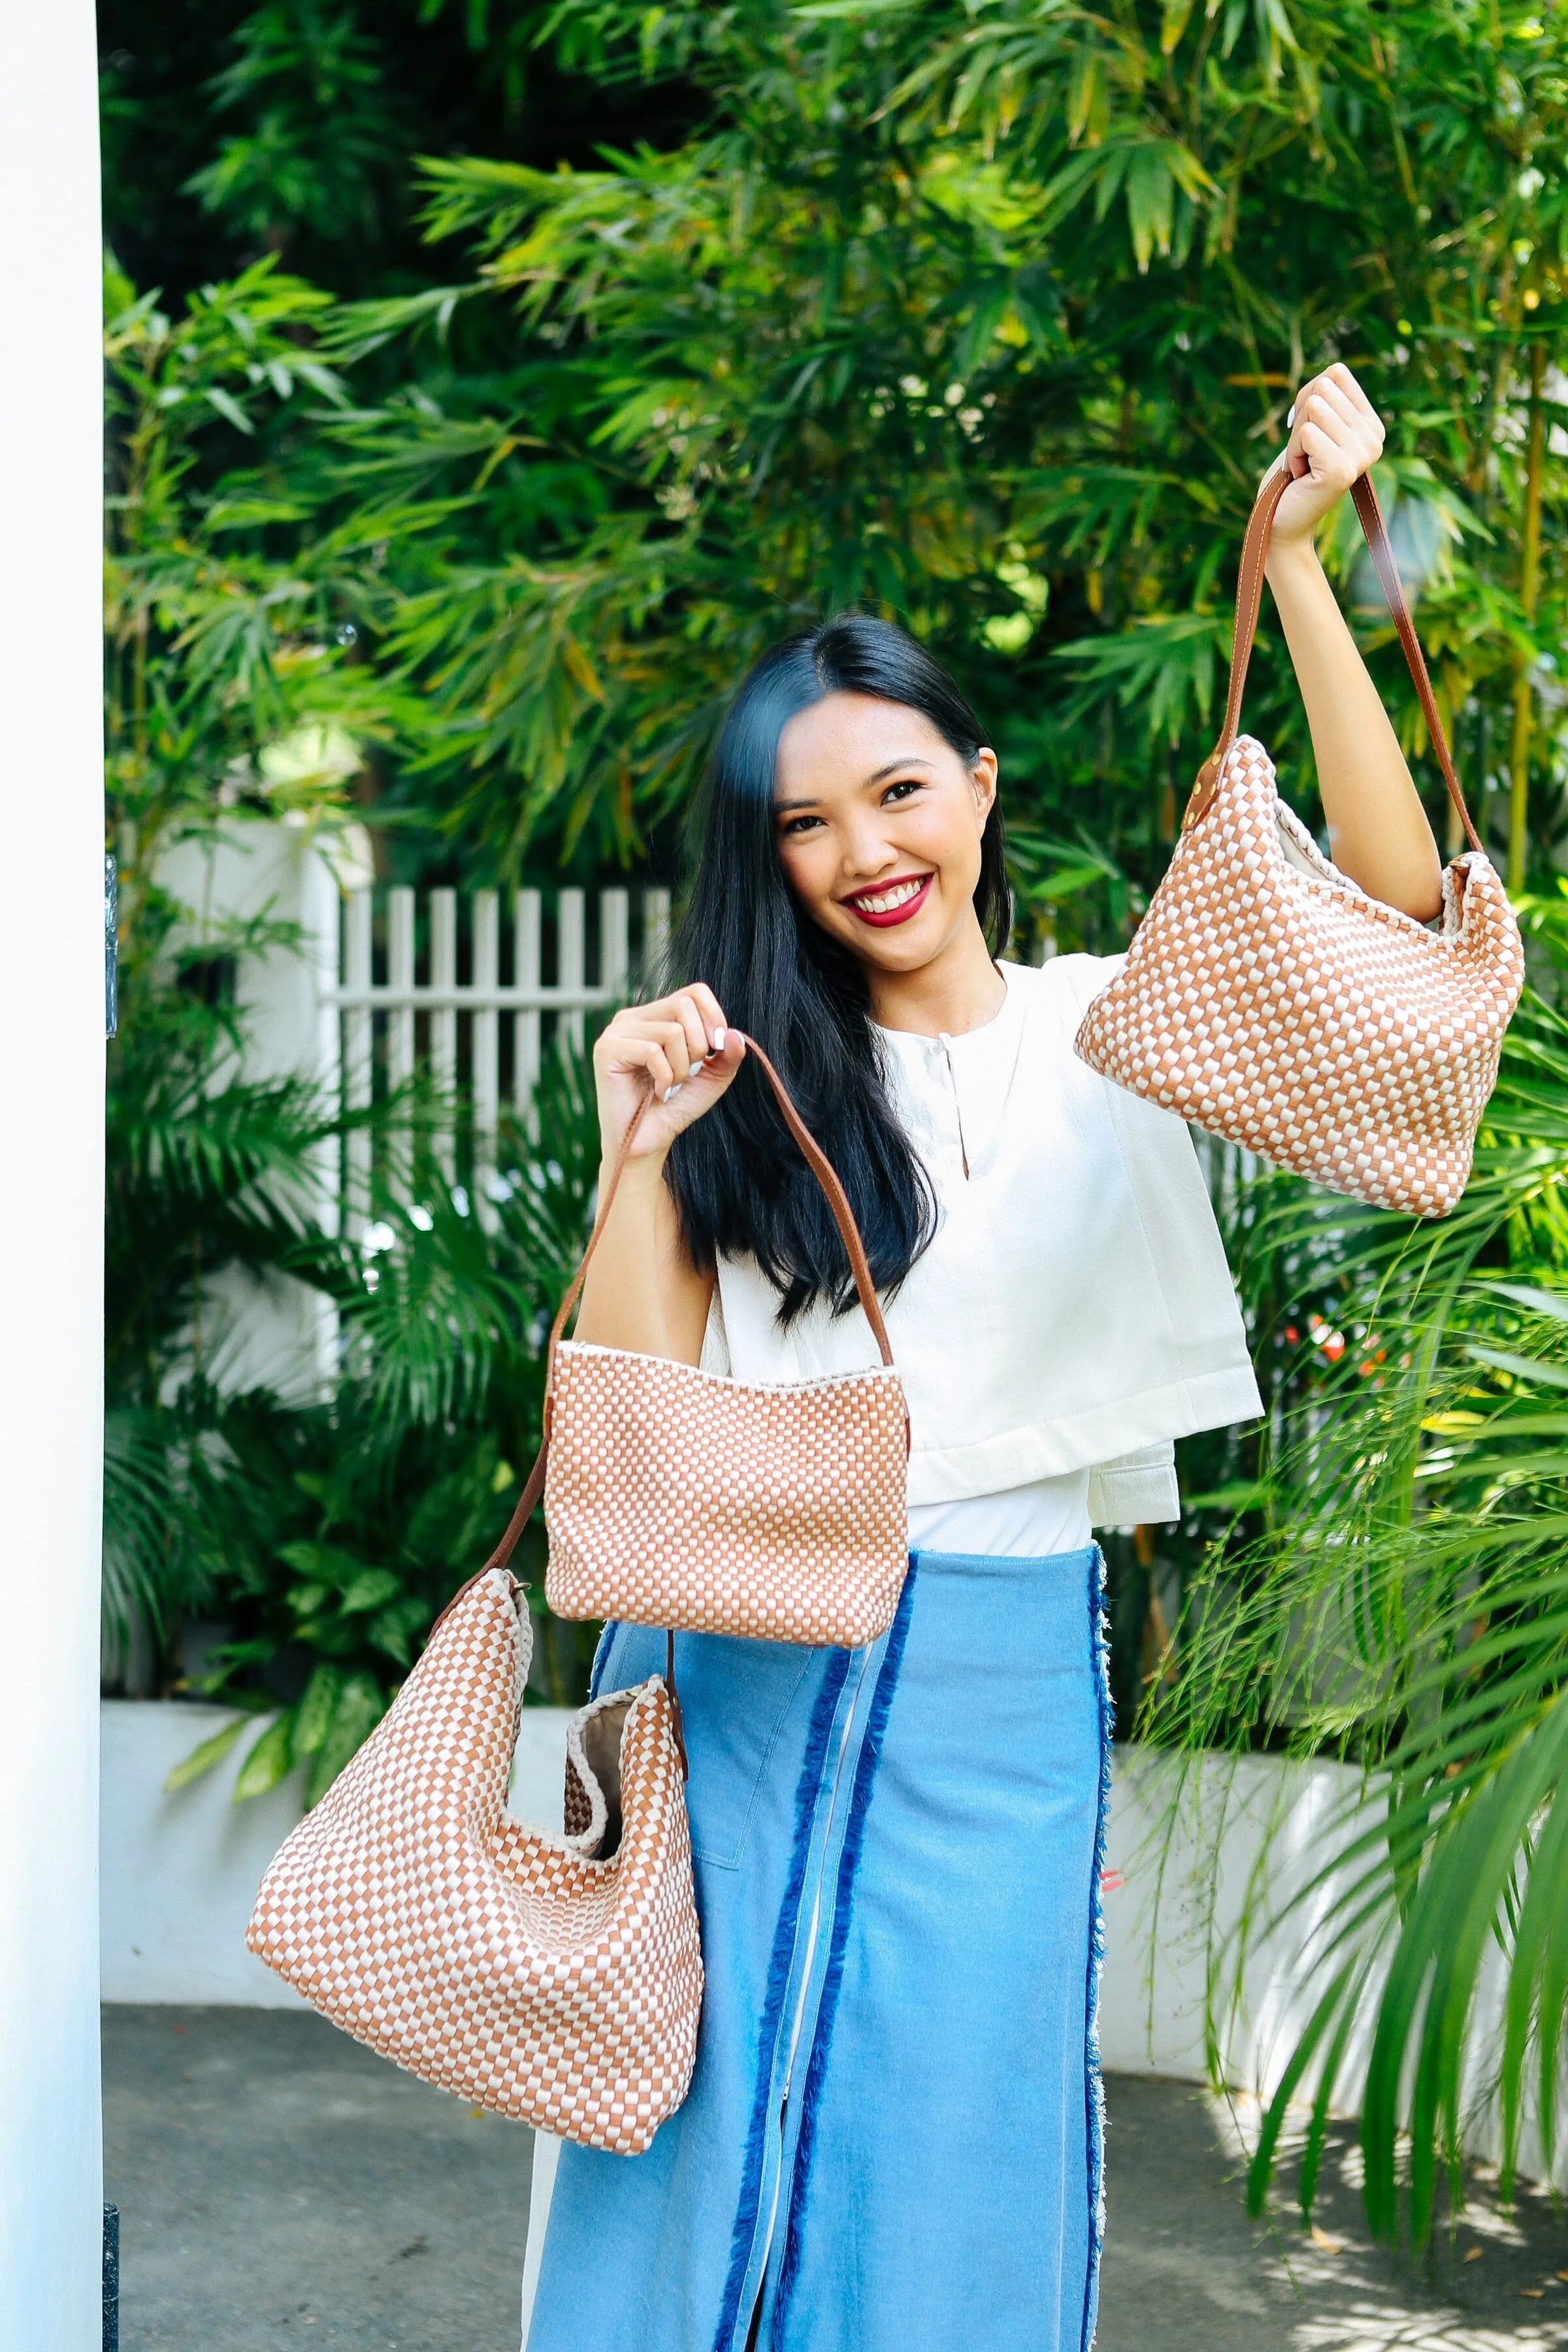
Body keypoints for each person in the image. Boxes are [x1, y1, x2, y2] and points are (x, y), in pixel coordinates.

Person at [519, 365, 1442, 2352]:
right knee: (681, 2156)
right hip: (735, 1675)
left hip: (1003, 1673)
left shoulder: (1124, 1027)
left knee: (953, 2169)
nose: (862, 849)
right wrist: (634, 1162)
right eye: (805, 823)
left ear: (982, 780)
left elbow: (1392, 915)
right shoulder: (741, 1083)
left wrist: (1293, 576)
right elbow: (636, 1426)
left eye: (897, 789)